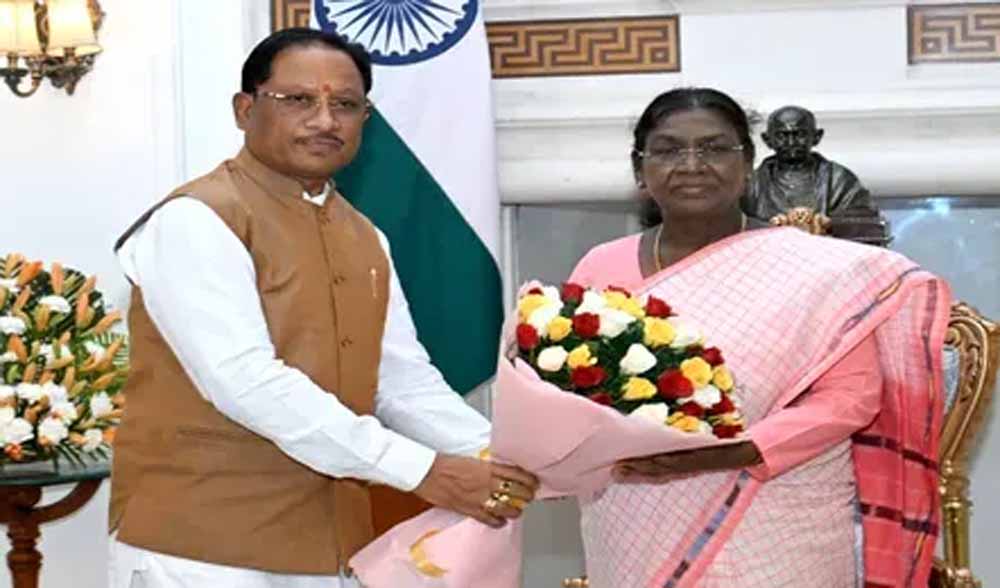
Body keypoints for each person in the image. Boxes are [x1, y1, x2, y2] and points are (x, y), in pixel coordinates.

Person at [107, 28, 537, 588]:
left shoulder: (365, 236)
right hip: (202, 547)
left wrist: (502, 457)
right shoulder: (196, 218)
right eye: (298, 100)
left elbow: (402, 381)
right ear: (245, 109)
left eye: (346, 105)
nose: (325, 120)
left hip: (331, 544)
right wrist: (424, 471)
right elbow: (245, 380)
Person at [567, 88, 949, 587]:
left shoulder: (814, 266)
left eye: (714, 148)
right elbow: (569, 386)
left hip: (777, 503)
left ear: (748, 164)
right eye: (668, 149)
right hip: (635, 507)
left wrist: (737, 451)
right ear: (640, 170)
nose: (692, 164)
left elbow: (851, 397)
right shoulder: (600, 265)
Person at [742, 105, 875, 223]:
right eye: (782, 136)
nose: (791, 142)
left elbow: (862, 224)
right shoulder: (751, 185)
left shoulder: (840, 180)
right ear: (767, 140)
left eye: (800, 134)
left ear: (817, 137)